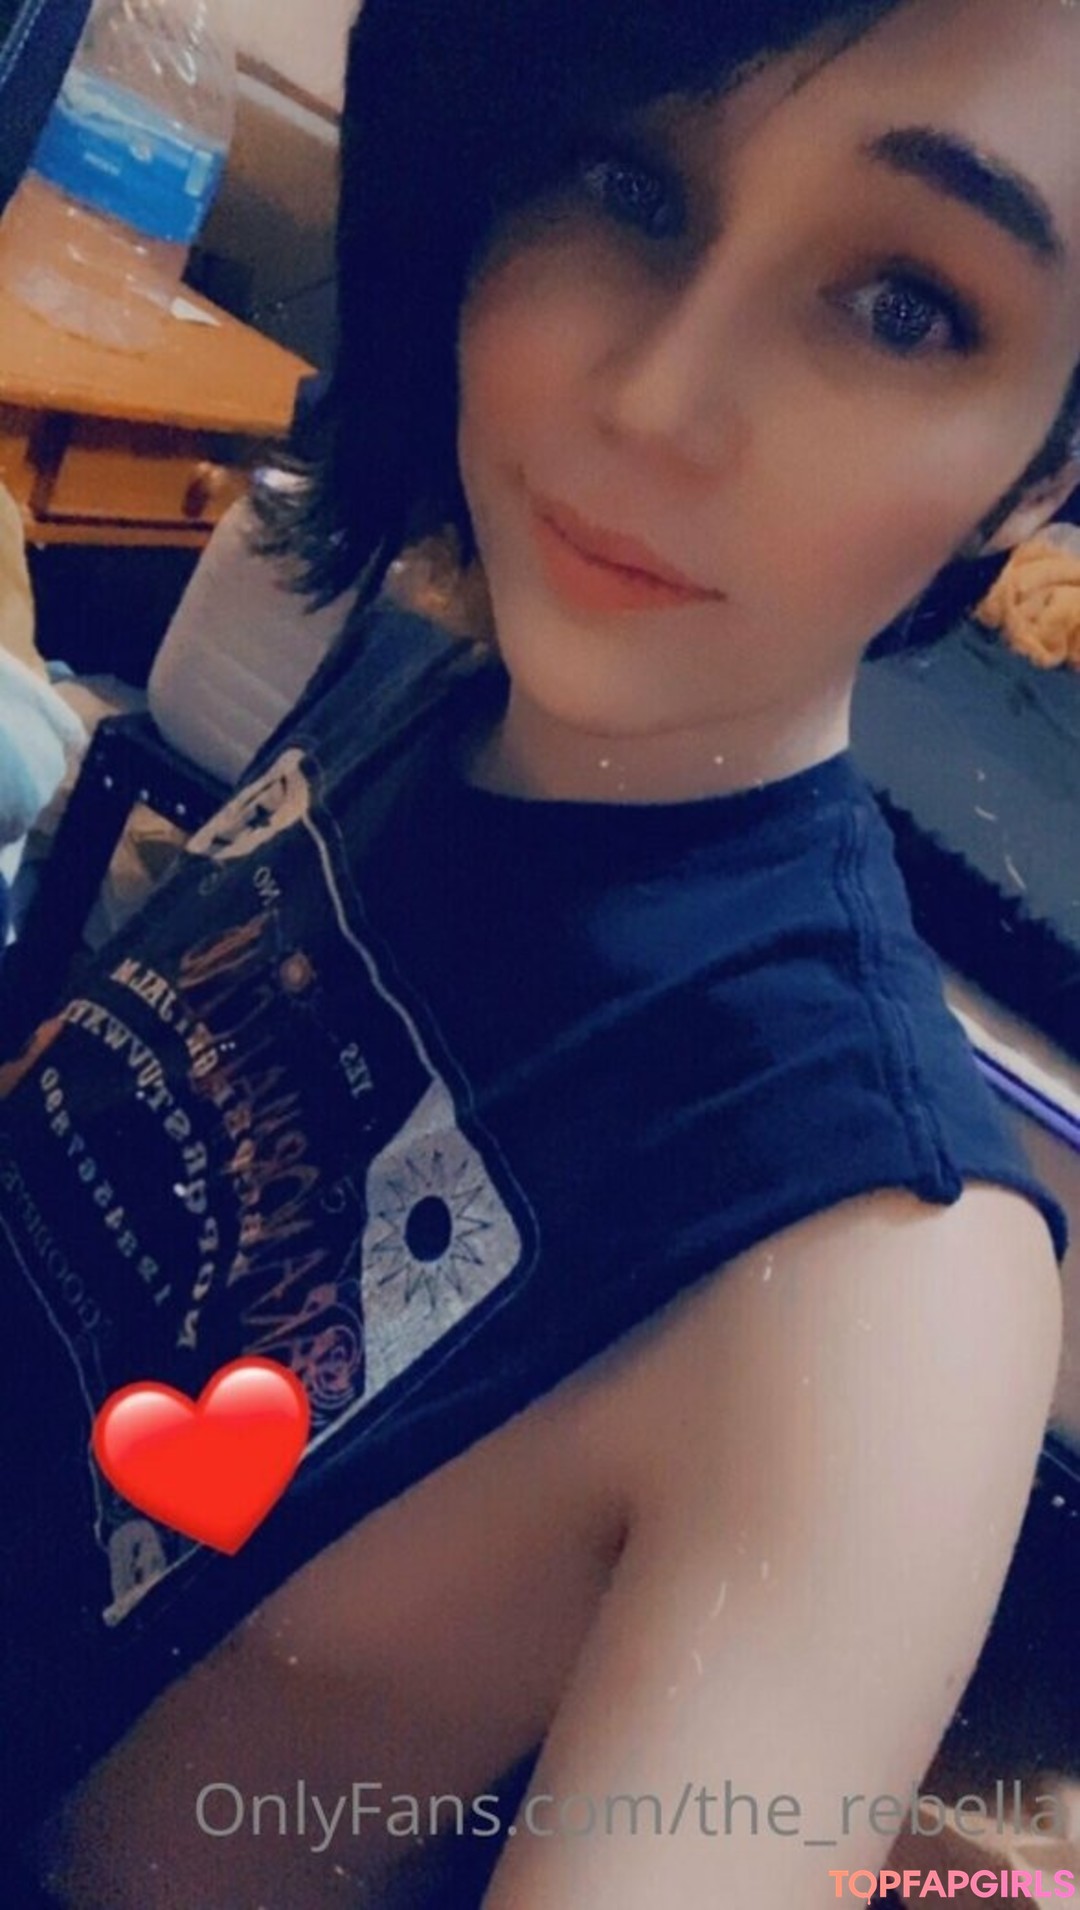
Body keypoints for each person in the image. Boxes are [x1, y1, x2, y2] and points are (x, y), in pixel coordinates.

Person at [2, 0, 1079, 1903]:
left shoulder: (885, 1291)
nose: (658, 400)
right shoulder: (430, 679)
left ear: (1041, 469)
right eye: (626, 180)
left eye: (905, 305)